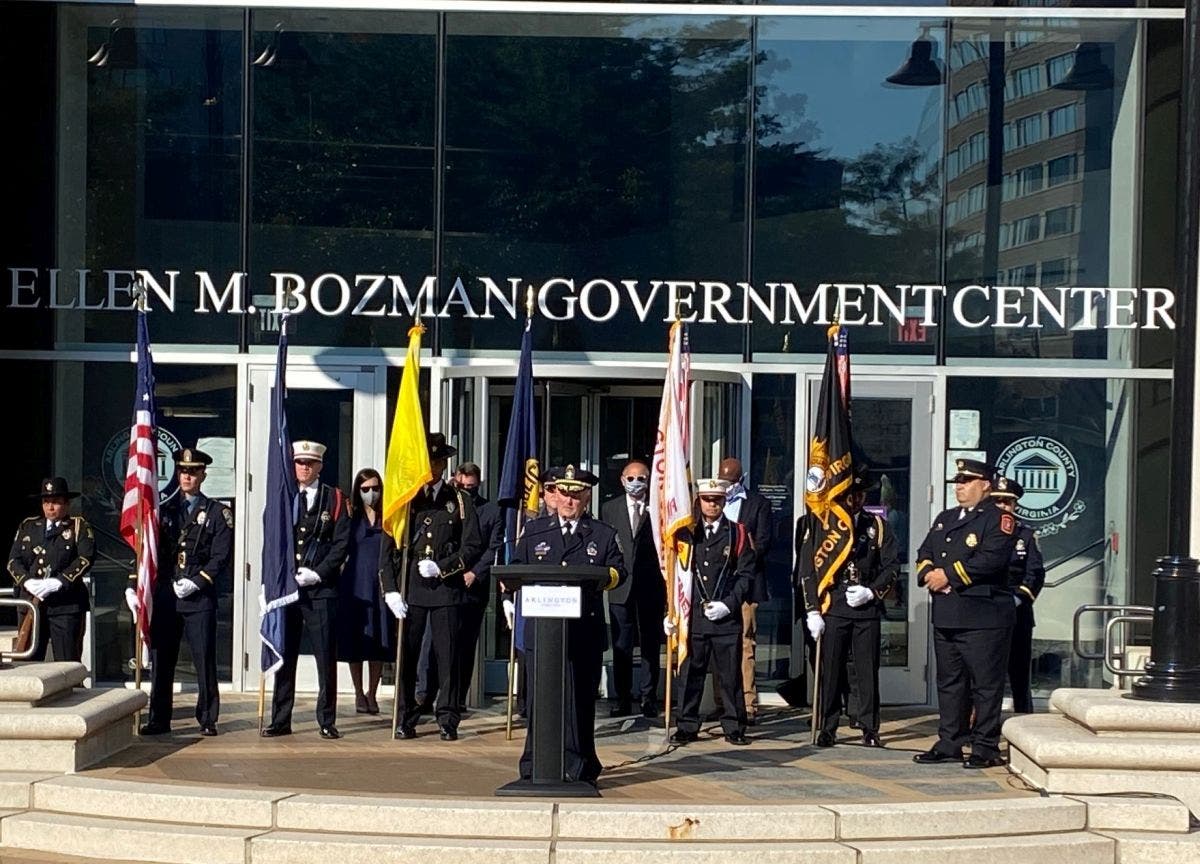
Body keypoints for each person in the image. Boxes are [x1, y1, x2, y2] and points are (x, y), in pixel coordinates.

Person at [510, 464, 624, 786]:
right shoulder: (535, 531)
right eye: (563, 493)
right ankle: (534, 764)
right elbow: (516, 566)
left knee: (579, 702)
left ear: (586, 497)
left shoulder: (602, 534)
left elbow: (618, 571)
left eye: (576, 495)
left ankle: (579, 766)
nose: (569, 501)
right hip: (542, 633)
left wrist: (595, 580)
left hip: (582, 631)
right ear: (554, 495)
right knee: (539, 702)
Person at [913, 458, 1017, 769]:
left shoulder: (998, 519)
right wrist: (929, 573)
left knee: (984, 685)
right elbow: (925, 552)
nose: (959, 487)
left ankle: (985, 746)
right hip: (947, 613)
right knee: (950, 682)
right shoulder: (945, 518)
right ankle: (950, 741)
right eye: (958, 481)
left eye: (967, 481)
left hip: (982, 615)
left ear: (985, 485)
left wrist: (948, 576)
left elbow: (991, 559)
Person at [382, 432, 483, 741]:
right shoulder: (406, 498)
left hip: (445, 589)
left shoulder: (460, 501)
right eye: (429, 462)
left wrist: (443, 567)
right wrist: (390, 589)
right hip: (411, 588)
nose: (433, 468)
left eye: (438, 462)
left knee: (447, 656)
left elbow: (472, 546)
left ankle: (448, 717)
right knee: (407, 656)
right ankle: (405, 716)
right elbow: (388, 549)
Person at [797, 463, 899, 748]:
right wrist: (812, 609)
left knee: (866, 672)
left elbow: (891, 566)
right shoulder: (822, 526)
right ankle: (828, 726)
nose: (854, 500)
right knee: (830, 671)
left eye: (859, 494)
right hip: (834, 606)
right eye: (849, 494)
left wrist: (872, 592)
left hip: (865, 607)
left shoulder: (877, 526)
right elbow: (808, 570)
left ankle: (869, 727)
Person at [134, 449, 233, 736]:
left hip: (198, 596)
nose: (187, 476)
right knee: (162, 660)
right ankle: (158, 718)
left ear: (203, 475)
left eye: (193, 471)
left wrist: (198, 581)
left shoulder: (217, 513)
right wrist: (135, 585)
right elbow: (148, 551)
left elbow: (221, 556)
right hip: (168, 595)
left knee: (204, 659)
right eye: (182, 471)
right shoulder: (163, 511)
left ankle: (207, 718)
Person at [262, 440, 351, 740]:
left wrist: (319, 573)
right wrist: (269, 582)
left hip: (320, 589)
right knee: (284, 655)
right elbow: (272, 541)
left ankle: (326, 719)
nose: (304, 468)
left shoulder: (335, 498)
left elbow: (341, 543)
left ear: (320, 466)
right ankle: (280, 719)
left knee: (325, 656)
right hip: (287, 590)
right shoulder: (283, 496)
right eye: (300, 462)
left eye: (310, 463)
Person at [666, 477, 754, 746]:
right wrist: (670, 611)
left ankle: (734, 726)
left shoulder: (737, 533)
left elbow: (746, 575)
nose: (712, 505)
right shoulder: (686, 534)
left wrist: (729, 604)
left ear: (724, 501)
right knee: (690, 675)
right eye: (707, 500)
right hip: (693, 617)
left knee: (729, 676)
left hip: (725, 617)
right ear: (699, 501)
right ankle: (686, 725)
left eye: (717, 500)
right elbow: (676, 575)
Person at [418, 462, 502, 714]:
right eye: (462, 485)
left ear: (479, 484)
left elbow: (493, 547)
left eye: (471, 487)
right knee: (432, 643)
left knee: (464, 645)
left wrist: (474, 572)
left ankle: (456, 698)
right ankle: (424, 695)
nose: (466, 490)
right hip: (444, 584)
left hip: (472, 587)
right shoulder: (445, 505)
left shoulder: (491, 511)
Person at [602, 459, 665, 718]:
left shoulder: (660, 507)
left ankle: (648, 697)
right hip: (621, 586)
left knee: (650, 644)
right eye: (631, 478)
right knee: (621, 645)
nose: (636, 483)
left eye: (641, 478)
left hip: (651, 585)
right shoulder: (610, 508)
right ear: (622, 480)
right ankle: (623, 698)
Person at [7, 477, 94, 662]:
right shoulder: (28, 526)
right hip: (31, 603)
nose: (50, 507)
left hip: (64, 605)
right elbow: (13, 561)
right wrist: (26, 581)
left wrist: (59, 581)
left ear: (67, 504)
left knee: (66, 661)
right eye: (46, 502)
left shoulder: (78, 527)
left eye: (56, 502)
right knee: (27, 661)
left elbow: (85, 558)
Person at [716, 457, 773, 724]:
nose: (725, 486)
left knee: (745, 643)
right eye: (722, 480)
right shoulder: (711, 501)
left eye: (730, 481)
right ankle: (722, 702)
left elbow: (763, 543)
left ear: (740, 479)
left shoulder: (758, 504)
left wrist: (743, 553)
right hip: (717, 585)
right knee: (718, 644)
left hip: (746, 583)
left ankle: (748, 704)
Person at [336, 467, 391, 716]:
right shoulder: (350, 515)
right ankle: (358, 692)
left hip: (379, 583)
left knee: (378, 640)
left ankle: (372, 692)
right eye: (366, 489)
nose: (371, 493)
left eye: (375, 488)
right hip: (355, 584)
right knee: (356, 638)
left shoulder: (387, 516)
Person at [991, 476, 1045, 714]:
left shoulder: (1025, 535)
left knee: (1019, 674)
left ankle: (1025, 721)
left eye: (1007, 502)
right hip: (986, 610)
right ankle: (982, 725)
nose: (1002, 506)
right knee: (986, 675)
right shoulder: (979, 532)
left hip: (1017, 612)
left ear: (1015, 505)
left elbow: (1035, 573)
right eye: (997, 501)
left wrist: (1016, 599)